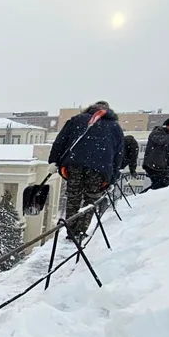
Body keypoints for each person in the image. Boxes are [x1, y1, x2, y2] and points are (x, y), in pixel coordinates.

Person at [48, 100, 125, 240]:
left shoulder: (77, 120)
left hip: (75, 164)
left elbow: (60, 141)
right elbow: (118, 154)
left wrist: (53, 160)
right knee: (91, 198)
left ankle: (70, 230)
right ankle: (81, 231)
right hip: (99, 169)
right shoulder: (115, 127)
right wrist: (113, 177)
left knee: (73, 196)